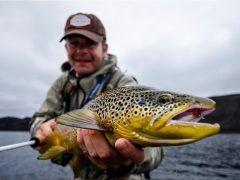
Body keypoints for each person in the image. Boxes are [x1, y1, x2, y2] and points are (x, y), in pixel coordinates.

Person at [29, 12, 164, 180]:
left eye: (90, 44)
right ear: (66, 48)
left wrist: (129, 159)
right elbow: (39, 118)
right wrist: (40, 129)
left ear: (104, 49)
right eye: (74, 43)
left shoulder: (123, 84)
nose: (81, 50)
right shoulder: (62, 84)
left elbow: (156, 151)